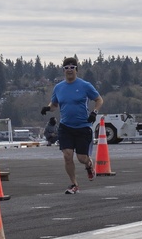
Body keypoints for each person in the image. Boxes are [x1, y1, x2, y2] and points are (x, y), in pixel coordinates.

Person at [42, 56, 103, 194]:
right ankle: (74, 184)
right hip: (66, 127)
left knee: (82, 158)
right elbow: (54, 104)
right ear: (63, 70)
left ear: (76, 70)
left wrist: (94, 112)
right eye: (66, 68)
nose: (69, 70)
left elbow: (99, 100)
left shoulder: (85, 85)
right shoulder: (59, 87)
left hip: (83, 127)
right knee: (67, 155)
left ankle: (89, 165)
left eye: (72, 68)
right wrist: (47, 108)